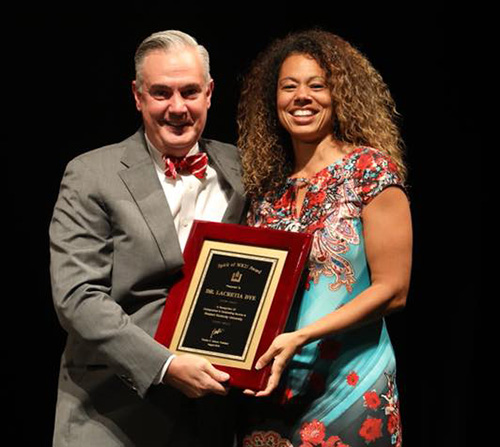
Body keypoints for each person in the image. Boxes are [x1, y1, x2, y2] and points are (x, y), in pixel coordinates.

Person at [49, 30, 246, 447]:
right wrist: (166, 366)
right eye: (161, 93)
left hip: (214, 415)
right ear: (138, 96)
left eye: (190, 92)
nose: (177, 108)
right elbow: (78, 297)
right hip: (110, 413)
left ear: (210, 93)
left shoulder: (243, 169)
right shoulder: (90, 175)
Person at [236, 29, 412, 446]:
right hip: (269, 387)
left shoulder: (371, 172)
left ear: (341, 96)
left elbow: (393, 290)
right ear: (272, 99)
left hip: (349, 386)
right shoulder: (266, 190)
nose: (302, 97)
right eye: (289, 86)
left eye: (318, 85)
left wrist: (301, 336)